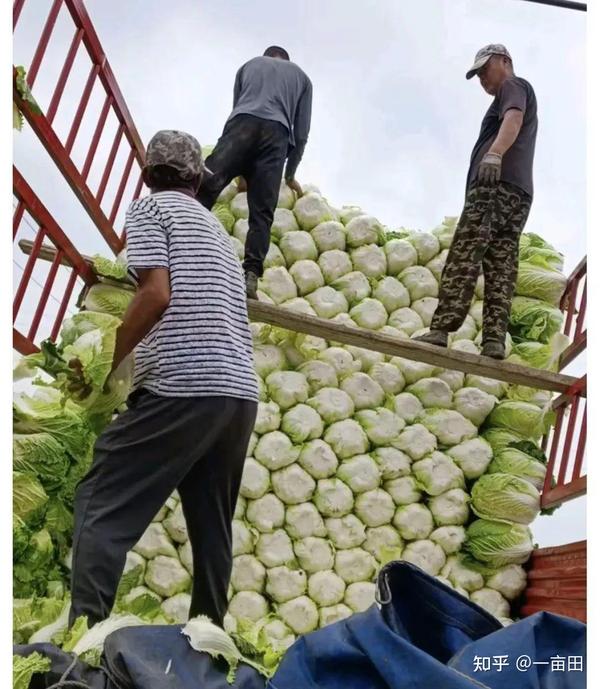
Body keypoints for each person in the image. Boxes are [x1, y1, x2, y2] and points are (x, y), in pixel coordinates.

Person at [68, 130, 258, 628]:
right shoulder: (216, 230)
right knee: (211, 524)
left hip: (185, 386)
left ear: (147, 174)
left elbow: (156, 294)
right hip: (238, 395)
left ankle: (78, 648)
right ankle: (206, 641)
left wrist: (104, 362)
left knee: (100, 501)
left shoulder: (151, 210)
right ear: (198, 179)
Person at [416, 44, 537, 359]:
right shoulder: (514, 90)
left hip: (495, 186)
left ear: (505, 61)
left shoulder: (513, 86)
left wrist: (494, 154)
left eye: (485, 69)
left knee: (466, 250)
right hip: (519, 193)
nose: (482, 78)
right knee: (501, 265)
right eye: (478, 74)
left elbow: (513, 117)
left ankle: (441, 329)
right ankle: (494, 341)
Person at [197, 45, 313, 299]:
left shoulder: (249, 65)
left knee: (205, 187)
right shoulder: (302, 78)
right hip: (277, 136)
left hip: (242, 125)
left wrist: (237, 172)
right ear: (286, 59)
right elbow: (302, 133)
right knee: (262, 212)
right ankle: (250, 277)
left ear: (267, 55)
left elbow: (237, 111)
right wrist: (290, 175)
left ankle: (176, 252)